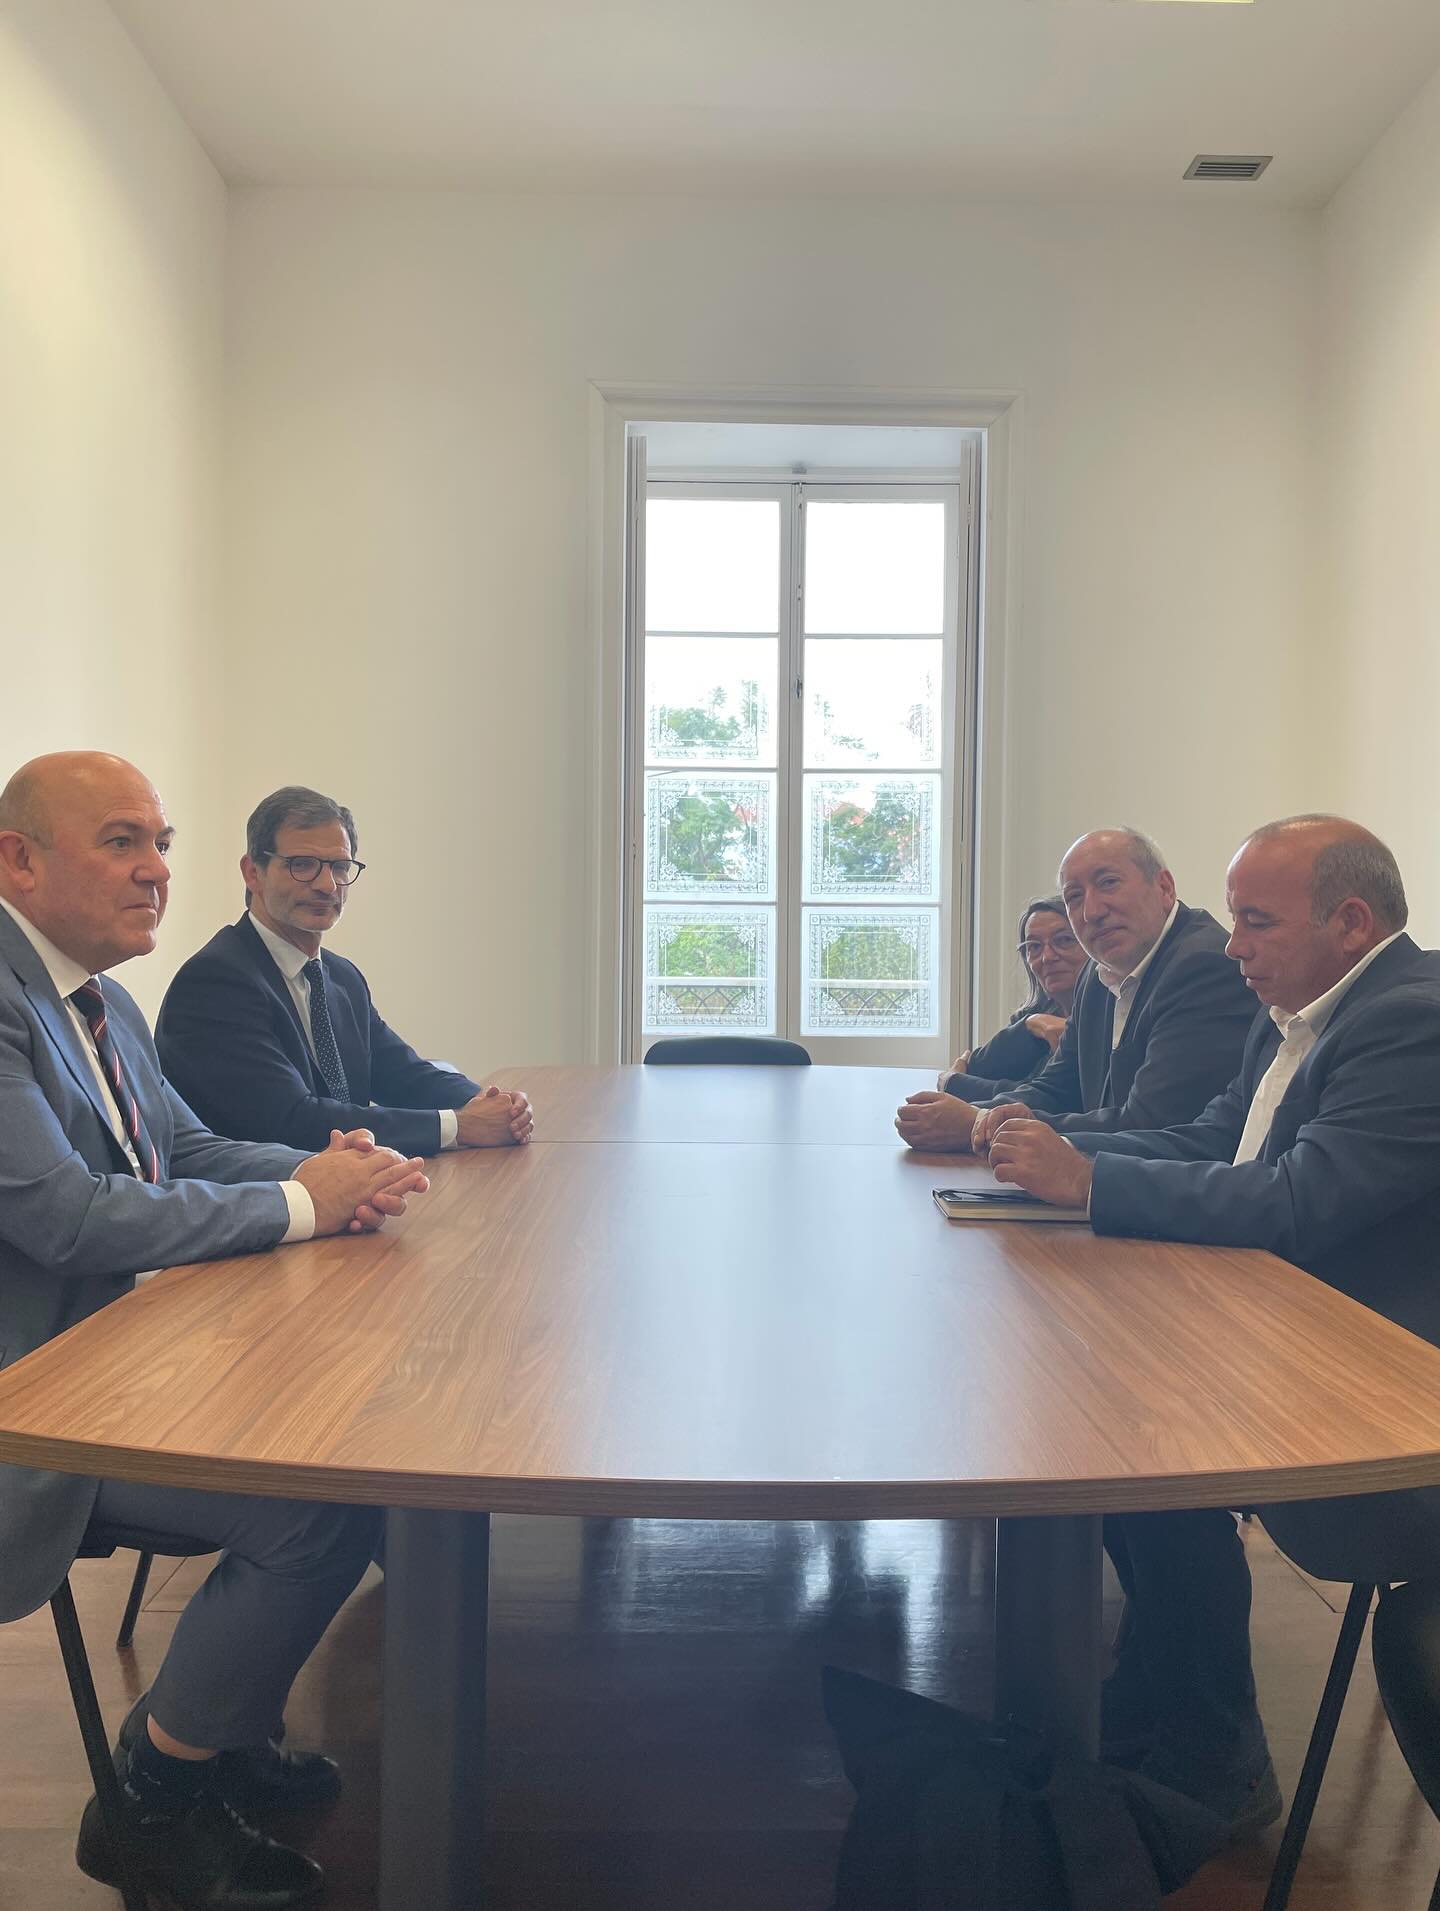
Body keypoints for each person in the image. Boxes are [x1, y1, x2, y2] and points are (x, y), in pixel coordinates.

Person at [0, 752, 431, 1909]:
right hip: (34, 1402)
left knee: (354, 1450)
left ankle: (221, 1729)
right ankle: (152, 1795)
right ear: (18, 861)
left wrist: (328, 1169)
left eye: (161, 843)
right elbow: (66, 1216)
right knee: (314, 1507)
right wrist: (301, 1204)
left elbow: (180, 1150)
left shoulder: (99, 996)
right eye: (121, 842)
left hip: (129, 1355)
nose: (155, 871)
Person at [986, 814, 1440, 1832]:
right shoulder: (1290, 1011)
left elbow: (1296, 1198)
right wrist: (1067, 1162)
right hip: (1293, 1328)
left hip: (1387, 1404)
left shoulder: (1414, 1021)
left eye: (1256, 921)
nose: (1231, 944)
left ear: (1351, 923)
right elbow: (1212, 1139)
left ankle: (1214, 1752)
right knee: (1101, 1399)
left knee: (1141, 1441)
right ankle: (1162, 1700)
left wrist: (1091, 1183)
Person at [156, 786, 533, 1155]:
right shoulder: (215, 981)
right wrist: (461, 1126)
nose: (327, 885)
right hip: (266, 1192)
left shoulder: (341, 977)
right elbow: (292, 1121)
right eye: (302, 865)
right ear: (253, 872)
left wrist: (493, 1104)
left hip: (352, 1185)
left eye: (339, 867)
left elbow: (403, 1075)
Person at [896, 827, 1254, 1153]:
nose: (1091, 911)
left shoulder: (1202, 966)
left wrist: (980, 1126)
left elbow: (1150, 1124)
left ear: (1164, 887)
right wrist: (976, 1114)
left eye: (1109, 883)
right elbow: (1057, 1088)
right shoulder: (1098, 974)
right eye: (1074, 897)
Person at [938, 895, 1087, 1100]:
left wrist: (952, 1082)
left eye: (1064, 940)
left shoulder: (1106, 1021)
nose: (1047, 957)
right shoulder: (1034, 1014)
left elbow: (1043, 1098)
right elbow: (978, 1067)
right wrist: (1030, 1024)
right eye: (1034, 946)